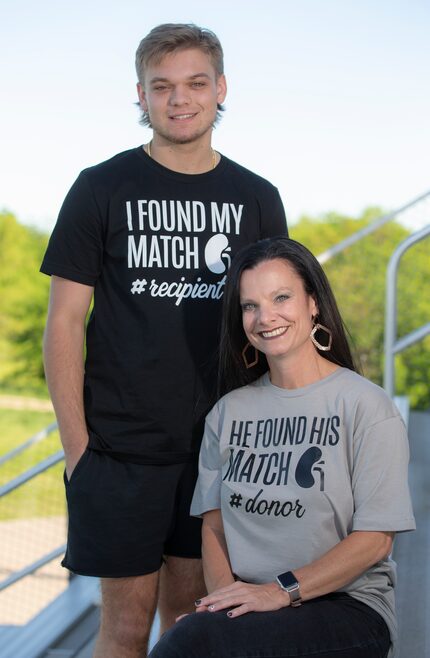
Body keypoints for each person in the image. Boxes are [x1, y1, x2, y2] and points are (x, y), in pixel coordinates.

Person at [40, 23, 287, 658]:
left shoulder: (258, 198)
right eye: (162, 86)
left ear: (220, 89)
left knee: (190, 627)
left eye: (195, 83)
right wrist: (77, 451)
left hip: (221, 451)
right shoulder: (100, 187)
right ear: (142, 97)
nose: (180, 99)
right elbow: (65, 322)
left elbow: (274, 325)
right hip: (120, 451)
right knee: (124, 628)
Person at [149, 236, 415, 658]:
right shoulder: (227, 414)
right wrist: (227, 611)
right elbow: (214, 528)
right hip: (256, 602)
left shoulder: (364, 405)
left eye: (281, 298)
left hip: (346, 607)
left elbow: (375, 540)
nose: (264, 317)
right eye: (249, 305)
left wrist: (279, 592)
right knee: (197, 641)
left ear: (313, 302)